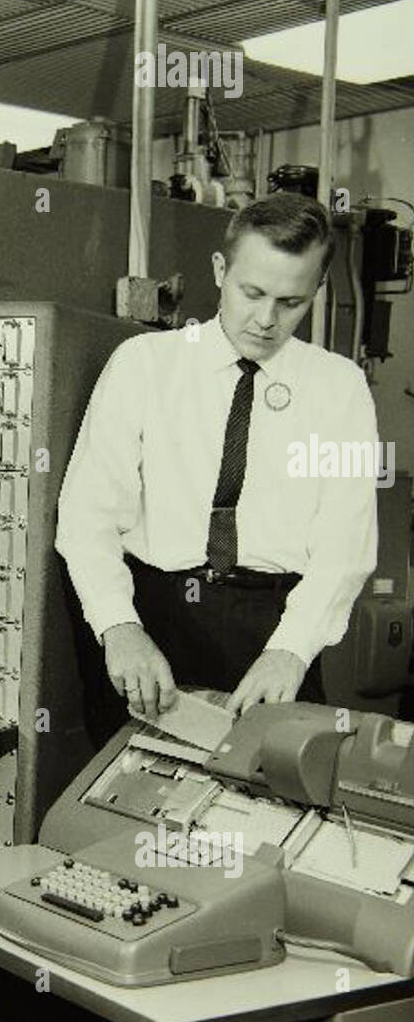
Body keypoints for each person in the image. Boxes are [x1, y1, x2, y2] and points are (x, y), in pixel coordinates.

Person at [56, 192, 379, 747]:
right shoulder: (143, 365)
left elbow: (345, 544)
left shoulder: (340, 387)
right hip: (152, 617)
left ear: (317, 292)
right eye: (251, 292)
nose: (266, 319)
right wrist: (118, 627)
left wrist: (290, 651)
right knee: (128, 809)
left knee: (270, 813)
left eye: (291, 302)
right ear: (219, 269)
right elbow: (86, 516)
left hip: (274, 625)